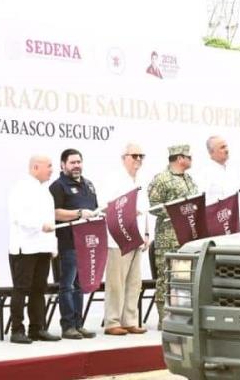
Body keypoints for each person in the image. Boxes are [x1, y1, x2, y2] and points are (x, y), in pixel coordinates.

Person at [7, 155, 61, 344]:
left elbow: (51, 222)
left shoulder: (46, 192)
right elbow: (18, 216)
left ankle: (37, 329)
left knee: (39, 289)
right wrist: (40, 225)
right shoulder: (21, 188)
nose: (52, 169)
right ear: (35, 167)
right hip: (25, 247)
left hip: (42, 247)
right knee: (21, 289)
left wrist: (52, 246)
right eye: (49, 166)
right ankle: (16, 330)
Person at [49, 149, 98, 339]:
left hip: (86, 243)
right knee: (67, 285)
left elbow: (93, 209)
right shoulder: (58, 186)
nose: (76, 165)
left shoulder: (89, 184)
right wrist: (79, 213)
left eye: (79, 162)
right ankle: (68, 326)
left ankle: (79, 324)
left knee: (80, 285)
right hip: (68, 242)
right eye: (72, 162)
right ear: (63, 165)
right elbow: (54, 213)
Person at [101, 143, 150, 336]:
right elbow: (105, 205)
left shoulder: (141, 180)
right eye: (134, 156)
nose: (138, 159)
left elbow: (146, 211)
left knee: (134, 282)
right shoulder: (113, 178)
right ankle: (112, 321)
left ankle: (130, 320)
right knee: (116, 282)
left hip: (136, 235)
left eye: (141, 156)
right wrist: (126, 210)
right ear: (124, 158)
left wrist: (147, 234)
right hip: (118, 237)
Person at [148, 144, 198, 328]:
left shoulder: (189, 179)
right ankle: (164, 317)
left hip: (188, 237)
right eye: (189, 157)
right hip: (167, 237)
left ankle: (183, 315)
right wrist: (176, 213)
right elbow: (153, 206)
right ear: (180, 158)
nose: (191, 160)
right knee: (166, 276)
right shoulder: (161, 179)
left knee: (185, 278)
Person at [202, 135, 240, 204]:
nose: (227, 150)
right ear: (211, 152)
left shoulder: (233, 169)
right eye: (222, 147)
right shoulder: (205, 174)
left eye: (226, 146)